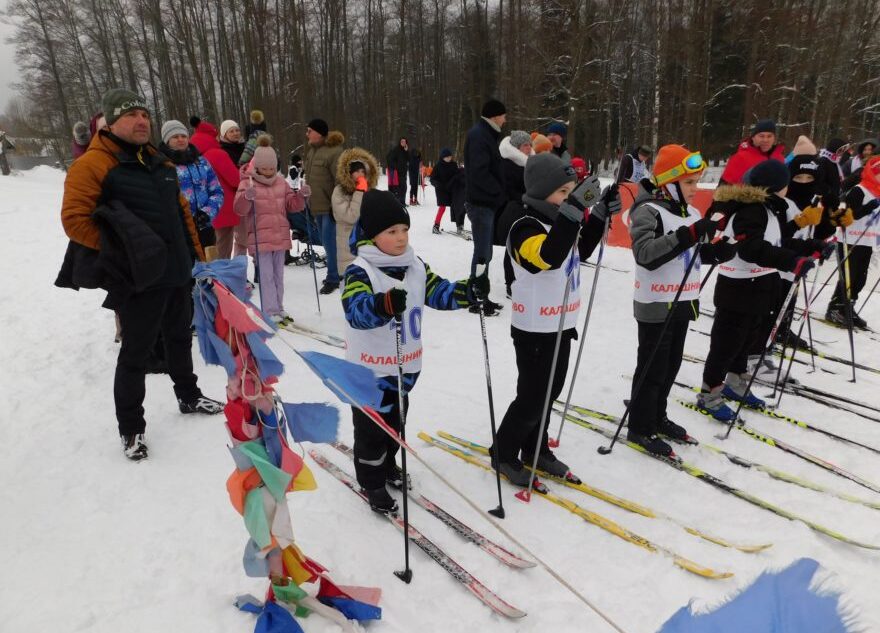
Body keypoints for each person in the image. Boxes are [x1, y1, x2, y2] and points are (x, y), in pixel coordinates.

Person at [59, 88, 223, 461]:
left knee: (179, 340)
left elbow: (182, 213)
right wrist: (122, 252)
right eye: (131, 115)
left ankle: (189, 395)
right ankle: (131, 428)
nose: (141, 121)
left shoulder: (160, 162)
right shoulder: (93, 164)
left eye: (145, 115)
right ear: (111, 122)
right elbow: (74, 220)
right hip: (138, 279)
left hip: (177, 270)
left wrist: (196, 259)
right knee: (136, 353)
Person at [341, 189, 487, 512]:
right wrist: (382, 305)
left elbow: (438, 292)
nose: (400, 237)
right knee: (371, 433)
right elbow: (355, 310)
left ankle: (388, 463)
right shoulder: (360, 271)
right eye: (391, 231)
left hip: (403, 371)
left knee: (395, 425)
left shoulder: (415, 266)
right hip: (368, 374)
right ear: (372, 235)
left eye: (404, 230)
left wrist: (466, 292)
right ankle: (372, 482)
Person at [492, 153, 621, 483]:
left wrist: (599, 214)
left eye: (571, 191)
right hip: (534, 330)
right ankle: (503, 452)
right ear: (540, 191)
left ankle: (535, 448)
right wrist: (573, 210)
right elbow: (547, 257)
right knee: (532, 398)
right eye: (563, 192)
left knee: (550, 393)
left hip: (561, 326)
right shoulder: (524, 226)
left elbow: (581, 249)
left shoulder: (561, 223)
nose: (569, 197)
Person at [696, 160, 831, 420]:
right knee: (726, 344)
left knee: (747, 340)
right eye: (786, 184)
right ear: (777, 186)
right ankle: (709, 393)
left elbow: (778, 242)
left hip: (759, 284)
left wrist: (812, 247)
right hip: (738, 286)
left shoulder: (768, 209)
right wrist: (791, 262)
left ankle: (735, 382)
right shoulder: (751, 210)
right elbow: (751, 249)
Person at [627, 145, 735, 456]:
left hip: (683, 301)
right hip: (656, 304)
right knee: (652, 369)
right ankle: (640, 427)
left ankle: (657, 417)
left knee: (671, 367)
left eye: (696, 181)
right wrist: (691, 234)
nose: (695, 188)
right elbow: (646, 255)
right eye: (689, 182)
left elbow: (691, 253)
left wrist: (717, 252)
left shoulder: (693, 214)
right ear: (669, 182)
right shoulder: (648, 211)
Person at [234, 139, 306, 323]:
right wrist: (246, 197)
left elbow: (292, 205)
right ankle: (269, 310)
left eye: (272, 168)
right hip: (260, 238)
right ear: (257, 167)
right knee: (266, 276)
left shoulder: (281, 182)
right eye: (265, 169)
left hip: (280, 235)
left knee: (278, 275)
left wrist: (301, 196)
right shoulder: (248, 182)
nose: (268, 172)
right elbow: (239, 209)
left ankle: (279, 307)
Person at [826, 155, 880, 329]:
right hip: (850, 239)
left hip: (868, 241)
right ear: (872, 173)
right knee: (848, 277)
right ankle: (836, 308)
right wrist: (869, 207)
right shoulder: (859, 190)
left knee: (860, 278)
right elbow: (849, 215)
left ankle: (848, 307)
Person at [464, 98, 507, 315]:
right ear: (494, 116)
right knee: (482, 253)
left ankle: (482, 295)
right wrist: (498, 192)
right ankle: (476, 298)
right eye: (503, 116)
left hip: (485, 202)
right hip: (481, 203)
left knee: (485, 252)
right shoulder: (479, 135)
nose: (505, 120)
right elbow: (479, 172)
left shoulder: (485, 134)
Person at [159, 119, 224, 251]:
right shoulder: (162, 165)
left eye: (183, 136)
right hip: (178, 230)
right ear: (167, 140)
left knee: (208, 263)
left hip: (204, 227)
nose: (180, 139)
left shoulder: (201, 161)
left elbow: (217, 191)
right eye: (175, 137)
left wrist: (207, 213)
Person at [191, 119, 243, 258]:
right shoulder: (216, 154)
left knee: (210, 247)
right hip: (223, 206)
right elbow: (235, 180)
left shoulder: (196, 156)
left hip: (203, 209)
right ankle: (221, 272)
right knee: (223, 248)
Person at [304, 118, 345, 293]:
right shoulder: (312, 151)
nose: (307, 134)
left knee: (329, 243)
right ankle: (338, 271)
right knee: (325, 241)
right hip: (317, 206)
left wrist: (336, 205)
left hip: (330, 207)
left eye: (310, 131)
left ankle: (333, 278)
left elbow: (340, 180)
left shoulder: (334, 152)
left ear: (319, 133)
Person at [332, 147, 379, 273]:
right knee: (352, 276)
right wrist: (359, 192)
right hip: (348, 246)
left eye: (363, 171)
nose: (360, 175)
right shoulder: (339, 191)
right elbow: (351, 217)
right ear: (349, 173)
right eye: (356, 171)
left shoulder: (369, 191)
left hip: (366, 244)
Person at [719, 118, 786, 185]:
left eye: (769, 136)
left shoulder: (779, 158)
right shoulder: (740, 158)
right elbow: (723, 188)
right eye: (761, 136)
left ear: (774, 138)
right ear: (753, 138)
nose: (765, 140)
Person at [430, 148, 458, 233]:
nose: (449, 158)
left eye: (450, 157)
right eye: (447, 157)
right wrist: (437, 184)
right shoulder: (438, 166)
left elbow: (457, 175)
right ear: (443, 157)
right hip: (441, 190)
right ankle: (436, 225)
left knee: (457, 206)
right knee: (442, 208)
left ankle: (459, 225)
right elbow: (432, 179)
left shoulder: (454, 164)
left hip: (451, 189)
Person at [386, 138, 410, 205]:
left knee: (404, 188)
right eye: (402, 141)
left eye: (404, 142)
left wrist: (406, 151)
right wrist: (396, 167)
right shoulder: (395, 150)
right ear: (400, 142)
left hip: (403, 173)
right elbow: (389, 159)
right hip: (396, 173)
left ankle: (402, 202)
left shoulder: (406, 151)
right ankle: (397, 203)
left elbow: (409, 159)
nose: (403, 143)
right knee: (396, 188)